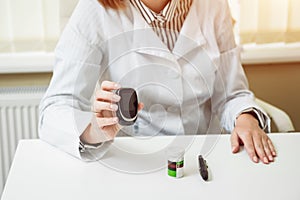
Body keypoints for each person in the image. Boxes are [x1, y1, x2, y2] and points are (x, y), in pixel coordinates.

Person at [39, 0, 276, 164]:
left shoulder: (213, 5)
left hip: (202, 156)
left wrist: (246, 119)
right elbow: (55, 107)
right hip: (133, 159)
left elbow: (231, 94)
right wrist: (93, 131)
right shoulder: (95, 10)